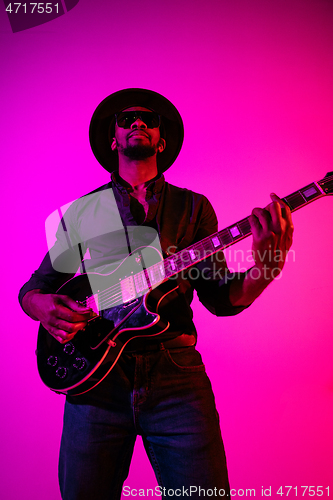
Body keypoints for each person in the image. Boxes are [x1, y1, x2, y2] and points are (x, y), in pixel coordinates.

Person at [19, 88, 294, 500]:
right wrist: (42, 306)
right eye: (127, 118)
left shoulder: (193, 208)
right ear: (114, 139)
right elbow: (34, 289)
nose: (137, 123)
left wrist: (267, 265)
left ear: (160, 142)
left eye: (148, 120)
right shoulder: (82, 211)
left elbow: (221, 299)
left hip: (176, 379)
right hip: (95, 382)